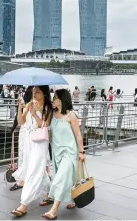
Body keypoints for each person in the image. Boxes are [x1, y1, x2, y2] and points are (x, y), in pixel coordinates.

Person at [42, 89, 85, 220]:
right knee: (67, 177)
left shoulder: (71, 115)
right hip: (57, 152)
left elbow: (78, 135)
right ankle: (72, 199)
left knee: (60, 178)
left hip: (69, 152)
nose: (53, 100)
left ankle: (54, 210)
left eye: (55, 98)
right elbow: (50, 135)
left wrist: (82, 152)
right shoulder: (52, 114)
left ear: (62, 100)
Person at [11, 86, 53, 217]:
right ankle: (49, 193)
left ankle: (23, 204)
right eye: (34, 92)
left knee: (33, 170)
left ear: (44, 93)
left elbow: (44, 125)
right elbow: (21, 122)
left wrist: (35, 114)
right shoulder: (29, 104)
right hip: (30, 140)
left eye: (38, 92)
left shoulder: (47, 107)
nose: (34, 94)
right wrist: (19, 109)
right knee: (36, 168)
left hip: (41, 141)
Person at [10, 86, 33, 191]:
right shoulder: (26, 104)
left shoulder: (29, 104)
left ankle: (23, 180)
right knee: (25, 155)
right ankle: (23, 179)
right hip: (27, 132)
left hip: (27, 132)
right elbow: (19, 119)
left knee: (24, 155)